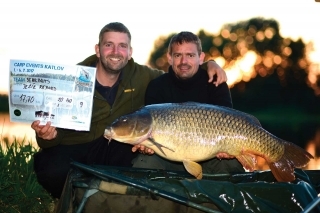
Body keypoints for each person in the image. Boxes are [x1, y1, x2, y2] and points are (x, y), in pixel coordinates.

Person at [30, 22, 228, 199]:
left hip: (114, 145)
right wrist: (47, 135)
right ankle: (77, 198)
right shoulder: (71, 78)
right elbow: (49, 135)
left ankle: (106, 198)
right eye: (109, 45)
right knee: (50, 170)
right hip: (75, 145)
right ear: (98, 49)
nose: (116, 51)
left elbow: (180, 72)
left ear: (130, 51)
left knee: (138, 157)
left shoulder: (142, 75)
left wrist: (210, 65)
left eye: (122, 46)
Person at [132, 31, 244, 174]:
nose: (184, 61)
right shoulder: (157, 86)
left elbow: (229, 123)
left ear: (201, 58)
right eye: (178, 55)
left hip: (211, 155)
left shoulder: (216, 82)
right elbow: (149, 133)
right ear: (170, 58)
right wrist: (147, 147)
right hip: (168, 158)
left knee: (231, 164)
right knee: (144, 161)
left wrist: (228, 149)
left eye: (190, 55)